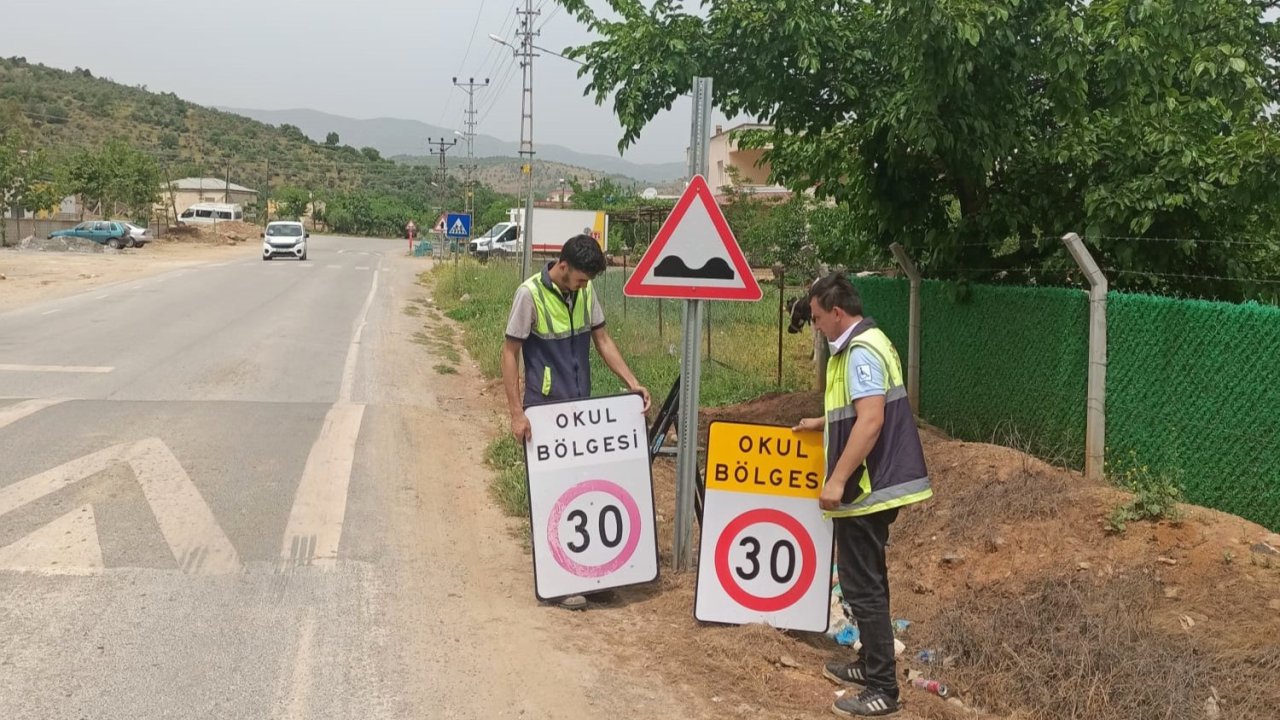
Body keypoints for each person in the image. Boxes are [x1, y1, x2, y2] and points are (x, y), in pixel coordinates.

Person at [791, 273, 932, 717]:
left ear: (836, 312)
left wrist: (836, 480)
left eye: (817, 318)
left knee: (862, 585)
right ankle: (870, 662)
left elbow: (870, 420)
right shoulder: (866, 342)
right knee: (867, 580)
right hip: (874, 483)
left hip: (868, 486)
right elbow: (859, 408)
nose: (815, 326)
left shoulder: (860, 351)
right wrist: (821, 423)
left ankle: (883, 688)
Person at [501, 234, 651, 610]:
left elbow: (603, 341)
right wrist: (516, 413)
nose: (585, 286)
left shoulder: (585, 292)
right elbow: (510, 353)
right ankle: (561, 581)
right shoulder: (529, 295)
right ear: (563, 266)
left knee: (587, 491)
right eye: (582, 279)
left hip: (582, 413)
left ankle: (593, 577)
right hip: (545, 412)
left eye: (588, 281)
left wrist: (632, 383)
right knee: (553, 495)